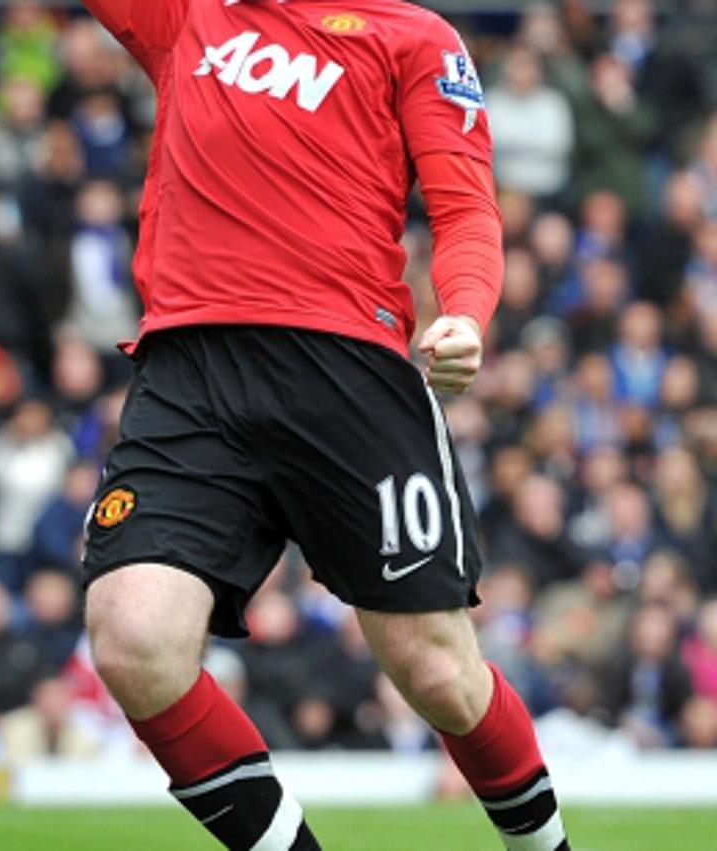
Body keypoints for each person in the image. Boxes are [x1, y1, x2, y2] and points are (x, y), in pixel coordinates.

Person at [78, 3, 569, 850]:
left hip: (346, 375)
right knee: (132, 636)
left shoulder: (414, 37)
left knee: (438, 673)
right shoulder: (188, 15)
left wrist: (466, 312)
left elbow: (465, 209)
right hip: (190, 370)